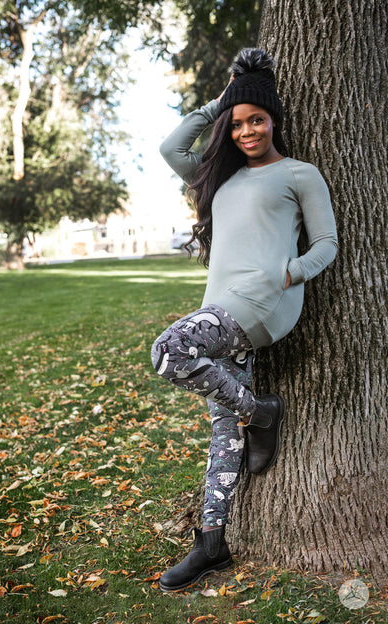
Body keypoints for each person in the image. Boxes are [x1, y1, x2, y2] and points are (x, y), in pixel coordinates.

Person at [151, 48, 338, 592]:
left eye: (256, 119)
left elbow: (326, 243)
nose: (247, 131)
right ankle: (212, 543)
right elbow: (170, 148)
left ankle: (262, 411)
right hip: (221, 304)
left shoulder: (299, 173)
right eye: (237, 124)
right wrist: (222, 101)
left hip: (263, 300)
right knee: (223, 429)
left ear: (273, 119)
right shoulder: (221, 178)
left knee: (168, 350)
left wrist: (289, 274)